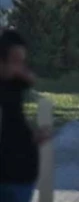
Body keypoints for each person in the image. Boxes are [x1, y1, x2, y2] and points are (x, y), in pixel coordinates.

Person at [0, 28, 47, 202]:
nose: (20, 66)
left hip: (21, 176)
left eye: (22, 61)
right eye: (15, 60)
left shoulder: (14, 85)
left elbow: (14, 124)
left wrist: (32, 136)